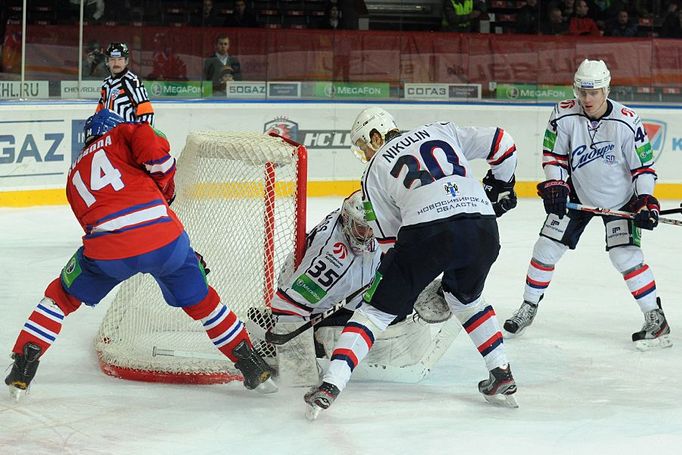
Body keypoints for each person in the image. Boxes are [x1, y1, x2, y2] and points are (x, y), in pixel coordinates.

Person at [4, 110, 276, 401]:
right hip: (164, 240)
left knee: (61, 296)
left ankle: (24, 363)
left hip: (108, 251)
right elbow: (149, 141)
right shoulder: (121, 134)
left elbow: (90, 222)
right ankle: (250, 363)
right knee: (204, 303)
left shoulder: (72, 177)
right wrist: (164, 182)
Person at [303, 107, 521, 419]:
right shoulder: (441, 129)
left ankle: (329, 385)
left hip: (427, 234)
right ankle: (502, 373)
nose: (365, 155)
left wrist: (401, 282)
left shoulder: (374, 170)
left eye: (365, 146)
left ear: (376, 135)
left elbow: (391, 241)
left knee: (374, 312)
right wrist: (502, 185)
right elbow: (503, 142)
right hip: (484, 227)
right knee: (466, 299)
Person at [503, 59, 671, 351]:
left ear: (607, 89)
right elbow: (554, 156)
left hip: (621, 199)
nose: (587, 99)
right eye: (582, 91)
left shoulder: (628, 122)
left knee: (626, 256)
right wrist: (556, 184)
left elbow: (643, 169)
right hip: (577, 195)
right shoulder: (563, 114)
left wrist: (645, 201)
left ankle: (655, 317)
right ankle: (528, 307)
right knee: (545, 249)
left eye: (594, 92)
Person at [96, 42, 154, 125]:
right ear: (107, 61)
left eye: (120, 59)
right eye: (112, 59)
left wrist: (142, 136)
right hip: (110, 135)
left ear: (126, 61)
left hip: (127, 136)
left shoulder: (132, 82)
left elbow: (147, 114)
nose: (116, 63)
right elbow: (100, 112)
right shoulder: (106, 84)